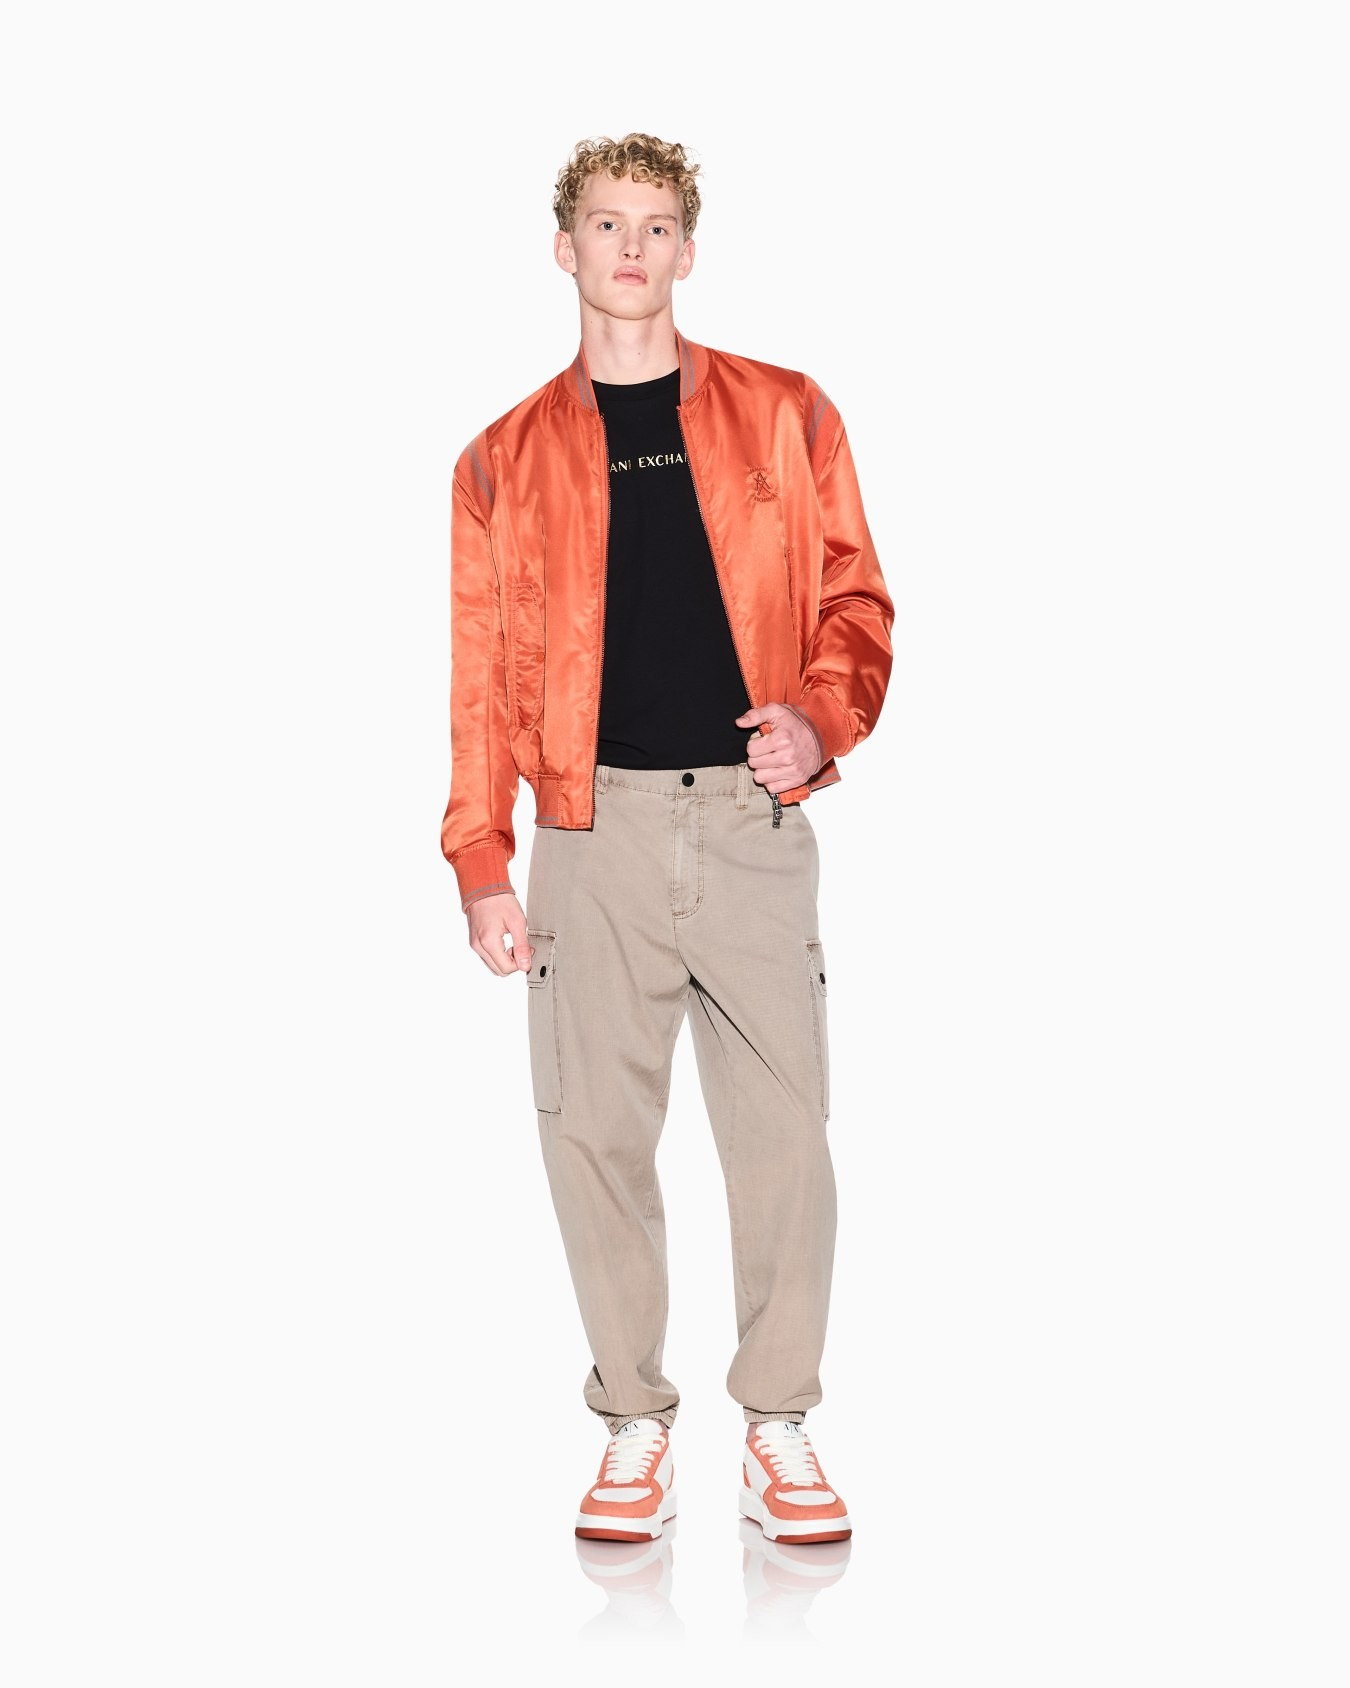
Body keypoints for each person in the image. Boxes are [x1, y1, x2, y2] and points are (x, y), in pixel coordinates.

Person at [440, 133, 894, 1546]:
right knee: (592, 1138)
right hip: (593, 836)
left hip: (753, 824)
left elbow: (856, 602)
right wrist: (482, 861)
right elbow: (481, 678)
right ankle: (633, 1421)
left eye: (653, 225)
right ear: (563, 248)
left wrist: (820, 721)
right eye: (603, 223)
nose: (629, 247)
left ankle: (779, 1422)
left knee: (785, 1140)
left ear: (688, 250)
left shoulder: (788, 414)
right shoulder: (500, 460)